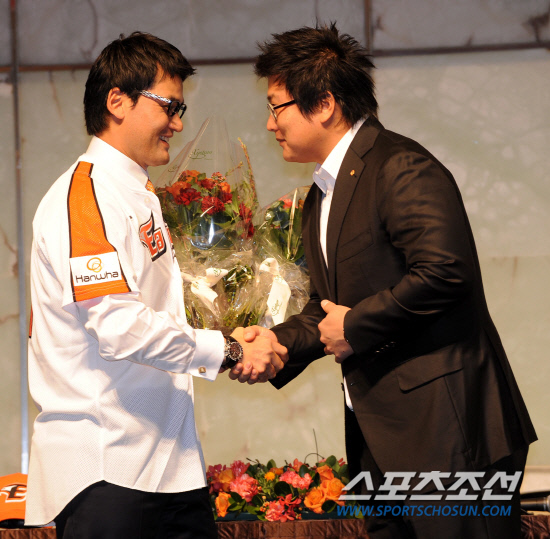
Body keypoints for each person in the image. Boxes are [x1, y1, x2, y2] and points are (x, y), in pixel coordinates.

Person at [237, 23, 537, 538]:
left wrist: (355, 326)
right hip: (380, 437)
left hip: (448, 434)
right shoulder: (321, 194)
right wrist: (274, 343)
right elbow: (325, 309)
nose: (270, 124)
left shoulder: (400, 166)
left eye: (276, 106)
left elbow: (445, 272)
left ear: (324, 104)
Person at [25, 31, 286, 539]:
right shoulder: (87, 195)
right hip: (108, 468)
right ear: (116, 101)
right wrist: (229, 349)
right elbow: (119, 328)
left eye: (180, 109)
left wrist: (233, 324)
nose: (178, 123)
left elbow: (153, 314)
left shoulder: (137, 193)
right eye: (169, 106)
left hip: (168, 465)